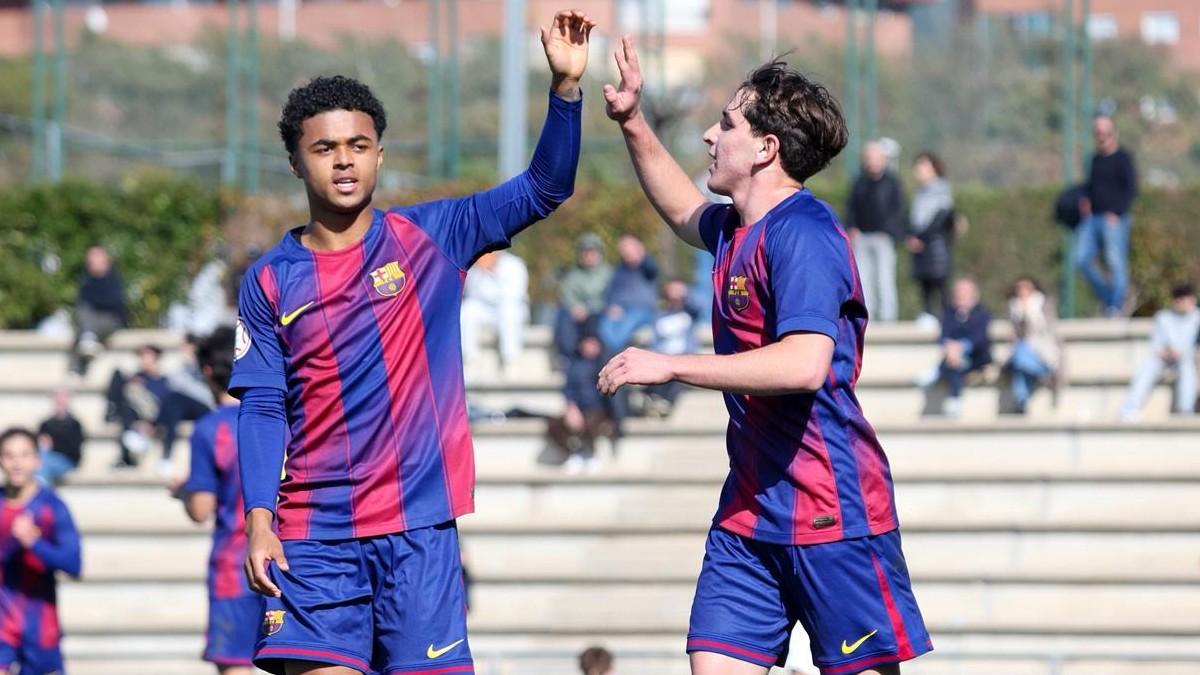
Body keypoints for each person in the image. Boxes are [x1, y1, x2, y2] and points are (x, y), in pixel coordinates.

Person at [230, 11, 592, 675]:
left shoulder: (435, 235)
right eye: (324, 147)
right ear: (294, 162)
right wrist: (258, 519)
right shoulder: (269, 279)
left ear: (379, 155)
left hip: (418, 532)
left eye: (359, 144)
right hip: (313, 536)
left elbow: (546, 187)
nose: (343, 158)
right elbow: (259, 405)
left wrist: (565, 92)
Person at [598, 36, 930, 675]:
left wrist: (672, 364)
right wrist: (633, 122)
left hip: (831, 508)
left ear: (765, 149)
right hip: (750, 510)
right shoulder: (735, 228)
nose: (707, 136)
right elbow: (681, 208)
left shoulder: (804, 234)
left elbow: (803, 364)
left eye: (725, 124)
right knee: (712, 664)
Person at [172, 328, 261, 674]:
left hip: (235, 565)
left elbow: (201, 509)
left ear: (206, 372)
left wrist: (185, 492)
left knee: (237, 664)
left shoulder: (210, 429)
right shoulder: (280, 419)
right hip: (288, 559)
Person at [0, 427, 82, 675]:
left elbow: (74, 564)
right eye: (9, 455)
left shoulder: (52, 508)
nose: (16, 463)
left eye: (24, 455)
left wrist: (34, 543)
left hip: (40, 627)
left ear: (37, 460)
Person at [1076, 115, 1138, 317]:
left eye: (1106, 133)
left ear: (1114, 134)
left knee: (1115, 262)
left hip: (1114, 219)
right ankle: (1107, 297)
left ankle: (1114, 306)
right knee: (1081, 259)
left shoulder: (1123, 158)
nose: (1102, 137)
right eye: (1098, 133)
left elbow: (1131, 189)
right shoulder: (1095, 159)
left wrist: (1117, 212)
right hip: (1093, 217)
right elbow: (1091, 186)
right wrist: (1086, 201)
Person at [1119, 283, 1199, 421]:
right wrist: (1165, 352)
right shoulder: (1164, 317)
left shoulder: (1197, 317)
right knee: (1148, 366)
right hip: (1164, 358)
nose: (1182, 303)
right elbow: (1156, 345)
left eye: (1185, 299)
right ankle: (1130, 408)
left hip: (1187, 358)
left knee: (1187, 365)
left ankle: (1185, 410)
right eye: (1178, 300)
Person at [845, 141, 904, 323]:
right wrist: (852, 227)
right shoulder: (859, 182)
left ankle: (888, 318)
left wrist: (889, 231)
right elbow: (851, 208)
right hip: (862, 238)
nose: (872, 162)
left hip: (883, 238)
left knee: (884, 279)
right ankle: (867, 318)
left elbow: (898, 210)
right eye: (869, 158)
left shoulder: (893, 183)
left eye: (876, 158)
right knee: (864, 280)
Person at [917, 277, 992, 418]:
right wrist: (950, 347)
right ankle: (954, 398)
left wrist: (960, 347)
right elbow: (943, 335)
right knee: (954, 362)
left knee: (954, 361)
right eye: (958, 292)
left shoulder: (982, 313)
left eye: (964, 292)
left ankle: (938, 372)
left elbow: (979, 339)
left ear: (974, 294)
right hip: (953, 356)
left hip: (976, 358)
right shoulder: (949, 313)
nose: (960, 295)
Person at [545, 329, 616, 473]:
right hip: (579, 408)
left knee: (590, 421)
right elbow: (568, 389)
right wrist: (571, 407)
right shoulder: (574, 366)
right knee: (553, 424)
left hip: (600, 410)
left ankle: (590, 453)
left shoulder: (605, 363)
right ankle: (573, 453)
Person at [156, 335, 218, 477]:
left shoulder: (206, 367)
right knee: (173, 402)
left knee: (174, 398)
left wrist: (194, 365)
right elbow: (173, 383)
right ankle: (165, 453)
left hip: (206, 406)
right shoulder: (182, 369)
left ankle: (162, 446)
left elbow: (206, 393)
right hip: (185, 406)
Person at [460, 250, 530, 375]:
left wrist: (493, 273)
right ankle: (470, 358)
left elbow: (514, 295)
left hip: (511, 309)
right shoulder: (476, 267)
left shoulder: (515, 264)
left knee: (508, 310)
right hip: (487, 310)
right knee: (467, 309)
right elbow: (472, 295)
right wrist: (480, 273)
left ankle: (511, 359)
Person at [906, 152, 954, 327]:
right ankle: (927, 314)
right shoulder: (920, 192)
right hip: (921, 245)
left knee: (940, 284)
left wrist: (922, 238)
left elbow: (941, 217)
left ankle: (948, 320)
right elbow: (915, 219)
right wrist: (911, 236)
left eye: (923, 166)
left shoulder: (941, 190)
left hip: (935, 244)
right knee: (924, 284)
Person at [106, 344, 171, 469]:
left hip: (153, 419)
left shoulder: (163, 381)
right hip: (134, 418)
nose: (143, 360)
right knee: (119, 378)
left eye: (147, 357)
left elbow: (163, 405)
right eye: (141, 357)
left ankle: (129, 450)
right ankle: (114, 414)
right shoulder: (135, 378)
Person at [642, 279, 699, 417]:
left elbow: (698, 305)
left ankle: (664, 402)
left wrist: (685, 293)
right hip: (663, 356)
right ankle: (654, 400)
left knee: (677, 376)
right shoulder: (659, 316)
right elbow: (654, 340)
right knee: (658, 371)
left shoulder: (690, 314)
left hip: (683, 356)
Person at [1005, 277, 1061, 415]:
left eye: (1026, 287)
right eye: (1019, 288)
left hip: (1043, 350)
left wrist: (1028, 312)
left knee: (1020, 357)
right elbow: (1019, 335)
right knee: (1020, 357)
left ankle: (1023, 398)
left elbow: (1047, 329)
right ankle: (1022, 399)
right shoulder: (1014, 307)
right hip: (1024, 351)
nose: (1022, 291)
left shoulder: (1043, 304)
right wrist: (1021, 313)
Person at [70, 245, 128, 376]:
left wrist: (94, 304)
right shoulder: (87, 280)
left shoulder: (114, 279)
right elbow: (82, 302)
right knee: (84, 318)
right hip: (91, 320)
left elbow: (113, 303)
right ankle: (76, 368)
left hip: (111, 319)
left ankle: (78, 365)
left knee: (86, 321)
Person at [555, 233, 613, 360]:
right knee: (563, 317)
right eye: (585, 252)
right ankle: (567, 355)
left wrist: (594, 307)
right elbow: (567, 295)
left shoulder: (609, 273)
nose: (589, 256)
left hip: (601, 314)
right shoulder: (573, 275)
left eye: (592, 252)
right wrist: (575, 306)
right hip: (579, 316)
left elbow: (613, 296)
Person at [597, 234, 659, 353]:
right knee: (604, 327)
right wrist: (612, 306)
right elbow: (610, 291)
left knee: (624, 328)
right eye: (622, 247)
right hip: (620, 310)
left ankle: (614, 354)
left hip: (642, 310)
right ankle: (614, 353)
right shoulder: (620, 270)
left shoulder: (647, 265)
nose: (625, 251)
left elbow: (654, 270)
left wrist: (641, 255)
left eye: (628, 246)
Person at [36, 389, 84, 485]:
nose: (60, 403)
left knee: (43, 465)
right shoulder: (46, 424)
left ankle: (40, 495)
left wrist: (52, 445)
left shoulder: (74, 424)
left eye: (63, 400)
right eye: (58, 400)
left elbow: (75, 450)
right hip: (45, 457)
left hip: (66, 460)